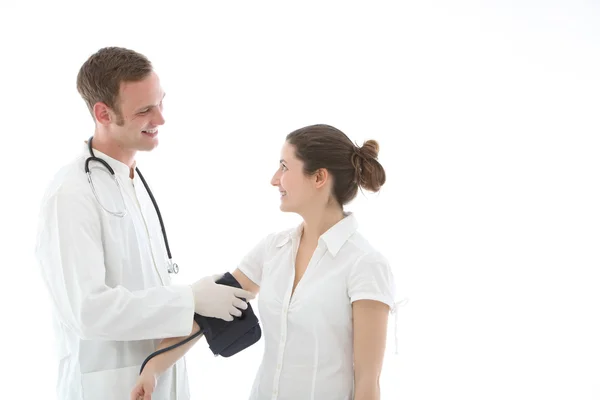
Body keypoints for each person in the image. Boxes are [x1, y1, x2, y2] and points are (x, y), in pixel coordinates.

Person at [34, 46, 254, 400]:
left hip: (155, 381)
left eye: (161, 102)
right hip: (106, 388)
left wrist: (193, 301)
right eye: (145, 110)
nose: (161, 119)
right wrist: (190, 300)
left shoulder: (132, 180)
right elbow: (88, 311)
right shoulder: (71, 194)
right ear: (103, 113)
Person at [132, 124, 397, 400]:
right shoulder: (274, 248)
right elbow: (211, 313)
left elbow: (368, 380)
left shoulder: (365, 264)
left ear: (319, 177)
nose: (274, 179)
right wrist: (153, 368)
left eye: (284, 167)